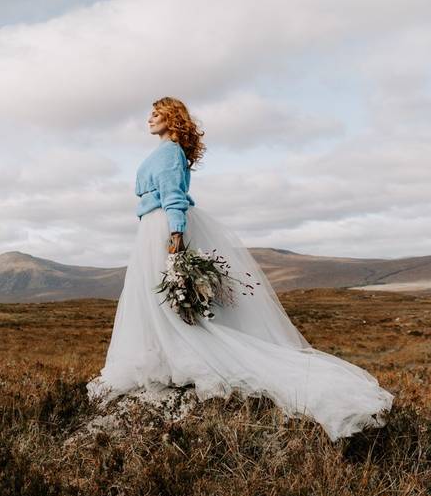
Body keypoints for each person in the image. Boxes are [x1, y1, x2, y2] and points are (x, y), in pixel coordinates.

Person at [86, 96, 394, 442]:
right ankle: (164, 356)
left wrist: (175, 237)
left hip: (161, 228)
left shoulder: (170, 152)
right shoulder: (165, 151)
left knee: (164, 301)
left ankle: (182, 359)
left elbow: (173, 196)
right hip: (150, 228)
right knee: (152, 300)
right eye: (150, 114)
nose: (150, 119)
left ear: (172, 119)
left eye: (157, 114)